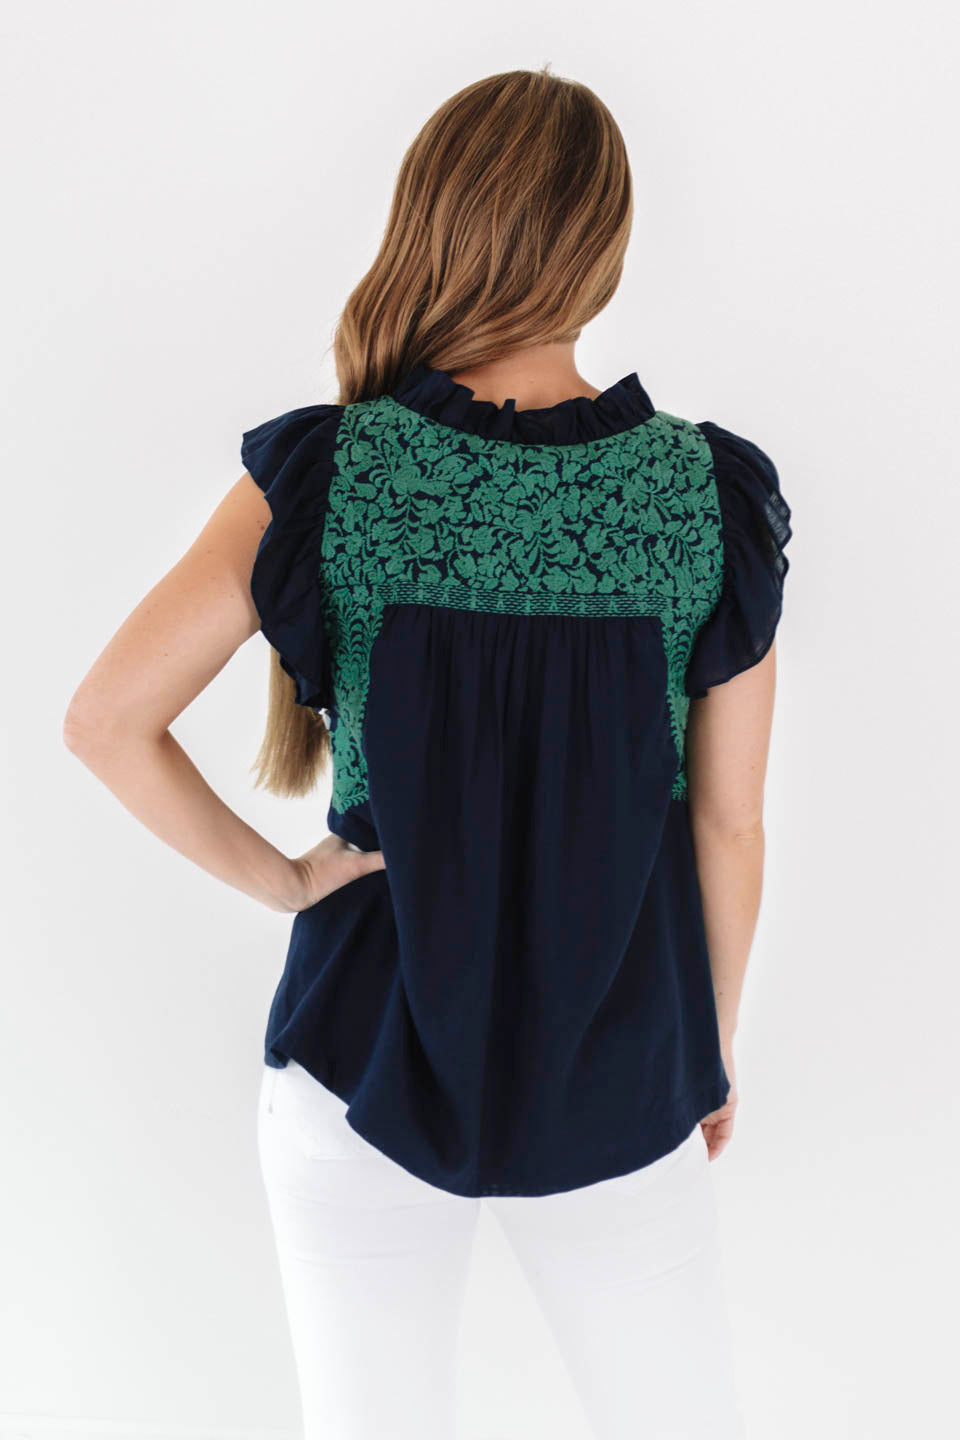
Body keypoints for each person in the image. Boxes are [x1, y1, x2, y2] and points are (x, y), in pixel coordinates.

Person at [64, 66, 791, 1440]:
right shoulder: (706, 496)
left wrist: (289, 884)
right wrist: (711, 1043)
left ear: (434, 221)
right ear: (606, 245)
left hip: (359, 1061)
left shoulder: (330, 474)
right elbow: (730, 823)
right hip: (623, 1062)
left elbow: (107, 719)